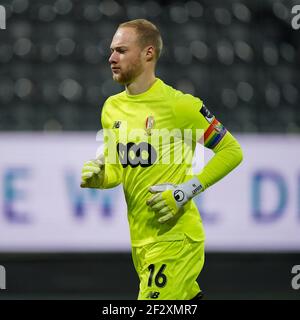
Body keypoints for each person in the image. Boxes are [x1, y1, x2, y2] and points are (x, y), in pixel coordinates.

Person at [80, 19, 243, 300]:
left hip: (175, 238)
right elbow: (117, 171)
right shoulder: (112, 108)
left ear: (148, 53)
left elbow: (232, 151)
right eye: (111, 50)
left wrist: (184, 192)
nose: (111, 58)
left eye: (121, 50)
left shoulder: (181, 106)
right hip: (142, 241)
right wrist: (100, 178)